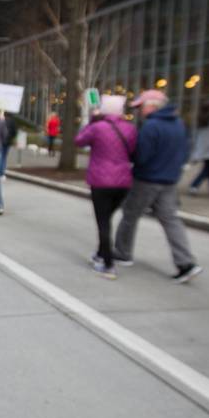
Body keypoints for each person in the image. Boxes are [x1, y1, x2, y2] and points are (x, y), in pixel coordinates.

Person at [113, 89, 202, 283]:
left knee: (130, 215)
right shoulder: (178, 124)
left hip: (147, 179)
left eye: (141, 107)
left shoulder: (151, 126)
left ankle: (122, 253)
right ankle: (186, 262)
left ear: (152, 106)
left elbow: (142, 156)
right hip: (169, 180)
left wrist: (130, 157)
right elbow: (185, 151)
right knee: (170, 220)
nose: (140, 111)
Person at [75, 94, 137, 279]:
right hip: (123, 181)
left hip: (101, 181)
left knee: (103, 222)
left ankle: (107, 263)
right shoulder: (130, 129)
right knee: (106, 219)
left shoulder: (97, 128)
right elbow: (133, 150)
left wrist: (93, 120)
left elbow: (79, 141)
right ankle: (102, 253)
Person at [0, 107, 18, 176]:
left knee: (1, 156)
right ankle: (2, 172)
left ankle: (0, 171)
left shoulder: (2, 120)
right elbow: (14, 132)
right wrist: (11, 138)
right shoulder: (13, 121)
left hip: (1, 141)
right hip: (8, 141)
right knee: (4, 156)